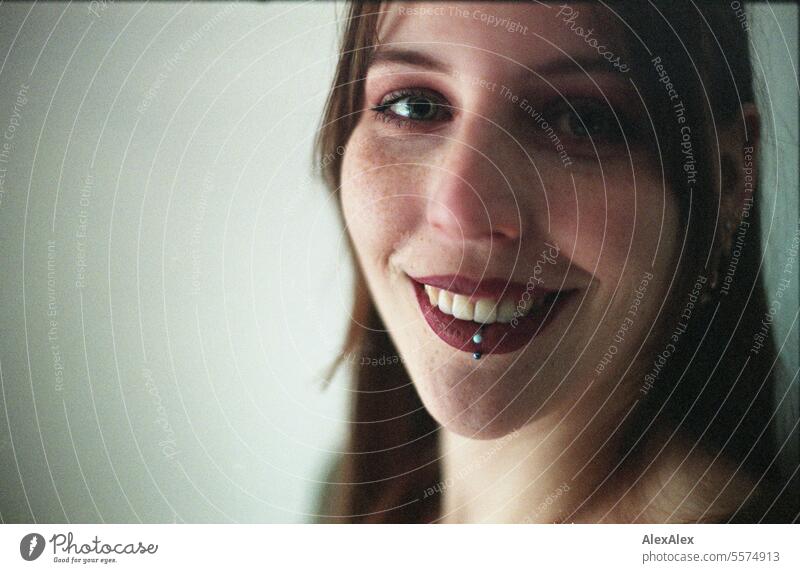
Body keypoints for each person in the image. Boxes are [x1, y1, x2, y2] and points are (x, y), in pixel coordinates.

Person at [313, 1, 798, 523]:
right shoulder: (343, 496)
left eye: (581, 120)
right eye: (415, 106)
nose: (460, 210)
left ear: (726, 180)